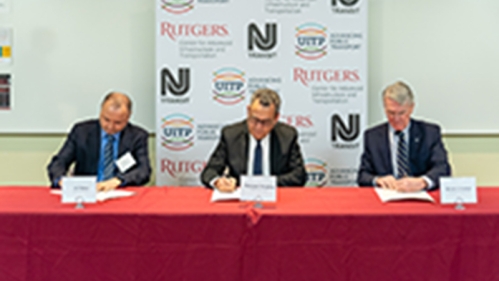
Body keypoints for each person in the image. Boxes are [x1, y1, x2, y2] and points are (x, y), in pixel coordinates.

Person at [201, 88, 307, 192]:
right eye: (254, 120)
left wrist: (266, 184)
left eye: (265, 122)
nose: (258, 127)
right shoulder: (230, 135)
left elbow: (299, 175)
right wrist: (218, 182)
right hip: (239, 198)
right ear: (248, 111)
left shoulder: (287, 136)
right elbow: (209, 172)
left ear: (276, 118)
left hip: (276, 197)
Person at [357, 81, 451, 191]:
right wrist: (377, 180)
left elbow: (443, 169)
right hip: (386, 198)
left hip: (419, 197)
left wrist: (422, 182)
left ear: (411, 108)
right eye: (391, 113)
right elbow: (363, 176)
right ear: (384, 108)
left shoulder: (429, 133)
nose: (396, 119)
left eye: (401, 113)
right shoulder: (372, 137)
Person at [47, 92, 151, 191]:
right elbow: (59, 162)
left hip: (120, 192)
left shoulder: (137, 137)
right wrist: (61, 181)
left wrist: (119, 180)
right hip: (86, 193)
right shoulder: (81, 132)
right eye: (106, 119)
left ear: (128, 117)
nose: (110, 127)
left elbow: (144, 171)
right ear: (101, 111)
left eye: (118, 123)